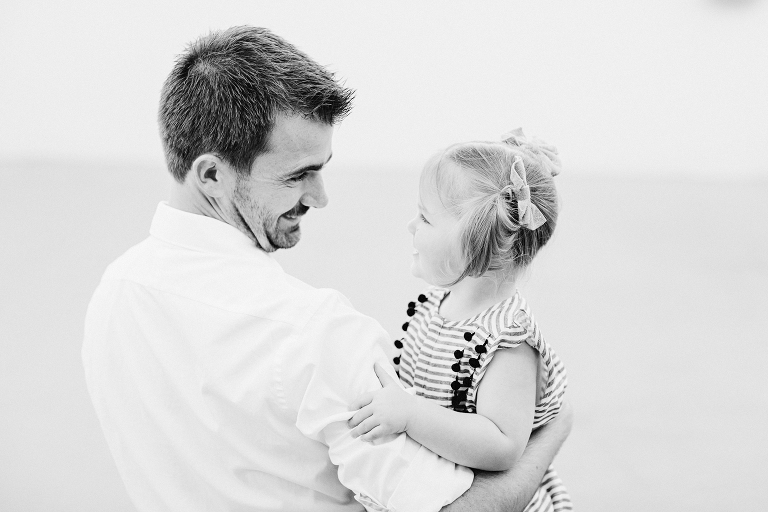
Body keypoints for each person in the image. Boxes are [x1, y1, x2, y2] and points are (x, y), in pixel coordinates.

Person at [82, 26, 573, 512]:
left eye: (322, 168)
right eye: (299, 175)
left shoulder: (113, 296)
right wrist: (553, 431)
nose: (320, 198)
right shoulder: (316, 334)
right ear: (212, 174)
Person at [347, 131, 572, 511]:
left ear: (474, 240)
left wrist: (409, 414)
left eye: (425, 217)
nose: (410, 225)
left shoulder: (508, 339)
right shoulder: (437, 304)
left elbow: (502, 445)